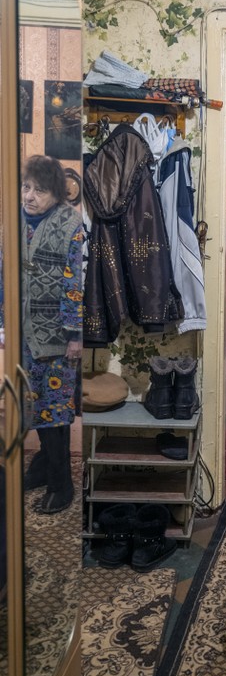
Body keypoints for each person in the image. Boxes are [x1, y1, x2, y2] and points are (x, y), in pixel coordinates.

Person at [20, 155, 83, 513]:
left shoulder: (70, 223)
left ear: (56, 194)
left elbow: (75, 282)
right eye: (26, 187)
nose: (29, 196)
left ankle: (62, 485)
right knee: (34, 408)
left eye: (39, 190)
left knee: (54, 412)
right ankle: (44, 467)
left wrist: (74, 334)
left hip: (57, 337)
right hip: (22, 333)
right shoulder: (15, 223)